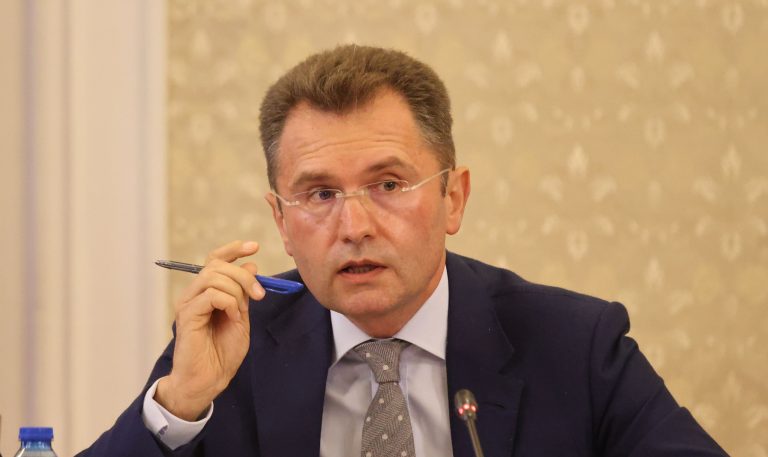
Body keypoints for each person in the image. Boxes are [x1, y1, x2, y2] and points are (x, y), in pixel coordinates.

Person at [78, 45, 727, 457]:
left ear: (453, 198)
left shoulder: (573, 343)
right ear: (281, 221)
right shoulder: (234, 347)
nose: (354, 225)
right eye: (319, 194)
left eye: (388, 185)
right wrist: (179, 403)